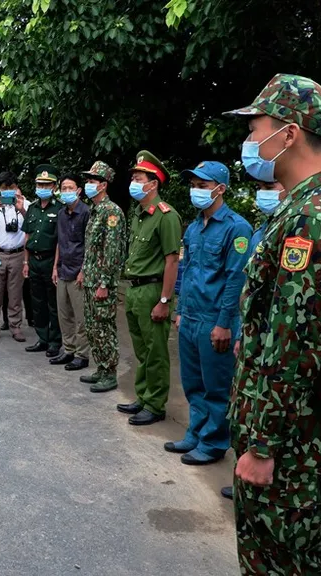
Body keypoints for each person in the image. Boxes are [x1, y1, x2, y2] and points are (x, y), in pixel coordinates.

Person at [224, 74, 321, 575]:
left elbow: (294, 341)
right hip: (298, 433)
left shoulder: (316, 217)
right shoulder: (317, 207)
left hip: (290, 443)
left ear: (288, 134)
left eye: (255, 129)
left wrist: (263, 443)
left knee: (280, 561)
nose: (248, 143)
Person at [166, 161, 252, 467]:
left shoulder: (236, 228)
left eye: (202, 185)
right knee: (192, 382)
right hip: (190, 315)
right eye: (193, 185)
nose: (196, 191)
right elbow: (185, 270)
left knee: (216, 385)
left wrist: (224, 323)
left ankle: (214, 442)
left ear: (220, 189)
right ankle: (196, 432)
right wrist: (178, 309)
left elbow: (236, 279)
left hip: (215, 319)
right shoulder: (193, 227)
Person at [220, 178, 287, 502]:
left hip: (276, 343)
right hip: (251, 334)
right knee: (244, 408)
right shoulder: (264, 228)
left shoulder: (297, 228)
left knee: (268, 410)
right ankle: (245, 473)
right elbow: (251, 286)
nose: (264, 193)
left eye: (271, 186)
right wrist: (242, 331)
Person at [118, 150, 181, 426]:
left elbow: (171, 261)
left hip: (153, 291)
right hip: (135, 289)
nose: (133, 181)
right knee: (141, 349)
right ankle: (143, 396)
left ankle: (155, 404)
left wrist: (164, 300)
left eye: (138, 177)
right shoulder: (140, 214)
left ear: (153, 183)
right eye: (133, 176)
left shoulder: (166, 216)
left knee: (155, 351)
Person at [78, 161, 127, 393]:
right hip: (90, 279)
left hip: (101, 283)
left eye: (92, 181)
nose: (88, 185)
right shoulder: (95, 211)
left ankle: (110, 372)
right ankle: (101, 367)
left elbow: (112, 251)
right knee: (92, 327)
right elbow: (91, 249)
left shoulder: (111, 212)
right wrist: (83, 272)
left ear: (104, 185)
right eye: (87, 181)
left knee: (104, 328)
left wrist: (105, 283)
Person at [50, 173, 91, 371]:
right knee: (64, 314)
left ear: (78, 191)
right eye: (63, 188)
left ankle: (81, 355)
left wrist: (84, 270)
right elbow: (60, 242)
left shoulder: (86, 213)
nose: (66, 191)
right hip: (63, 269)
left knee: (80, 316)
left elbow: (89, 245)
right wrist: (55, 267)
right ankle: (68, 349)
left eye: (70, 188)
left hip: (78, 271)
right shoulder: (61, 214)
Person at [22, 166, 63, 355]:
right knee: (37, 302)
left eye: (47, 184)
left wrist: (55, 266)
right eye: (40, 184)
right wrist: (25, 262)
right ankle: (42, 338)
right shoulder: (32, 208)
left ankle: (55, 341)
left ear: (54, 186)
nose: (43, 187)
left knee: (53, 303)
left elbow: (59, 242)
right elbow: (27, 237)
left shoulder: (60, 209)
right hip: (34, 261)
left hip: (49, 260)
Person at [0, 171, 29, 342]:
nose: (8, 191)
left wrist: (22, 208)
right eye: (4, 188)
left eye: (11, 188)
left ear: (17, 188)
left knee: (15, 294)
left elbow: (31, 226)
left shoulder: (26, 204)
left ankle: (15, 327)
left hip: (17, 254)